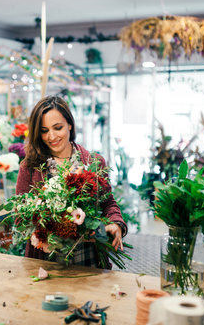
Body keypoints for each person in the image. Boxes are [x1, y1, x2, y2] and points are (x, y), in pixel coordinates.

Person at [16, 95, 127, 268]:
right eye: (44, 130)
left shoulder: (93, 162)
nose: (51, 136)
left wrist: (115, 223)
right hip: (45, 261)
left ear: (70, 124)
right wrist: (49, 228)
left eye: (57, 127)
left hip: (88, 258)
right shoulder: (30, 167)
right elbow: (20, 217)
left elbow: (108, 203)